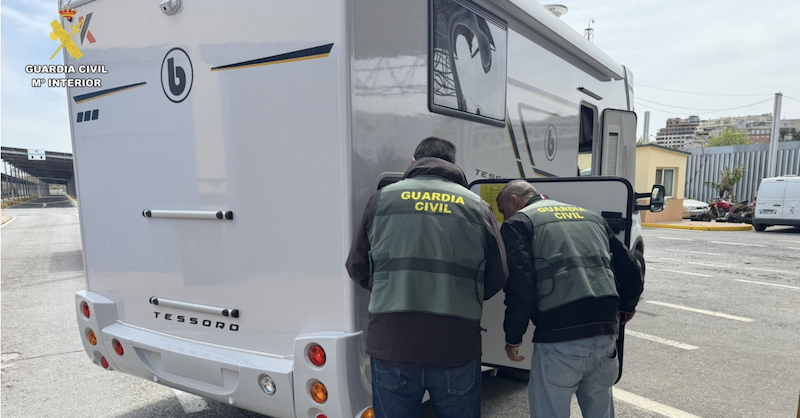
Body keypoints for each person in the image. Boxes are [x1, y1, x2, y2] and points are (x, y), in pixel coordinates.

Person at [346, 137, 508, 418]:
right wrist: (461, 295)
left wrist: (392, 287)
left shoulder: (382, 199)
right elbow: (498, 275)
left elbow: (356, 266)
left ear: (414, 162)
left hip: (393, 341)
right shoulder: (477, 207)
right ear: (452, 165)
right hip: (455, 344)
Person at [496, 180, 643, 418]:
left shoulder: (519, 223)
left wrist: (513, 337)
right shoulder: (591, 217)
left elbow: (521, 288)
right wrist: (627, 305)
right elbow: (631, 268)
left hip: (558, 339)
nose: (504, 217)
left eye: (503, 211)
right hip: (605, 336)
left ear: (514, 201)